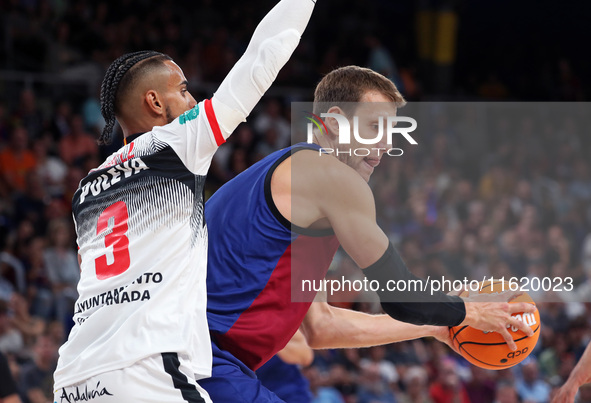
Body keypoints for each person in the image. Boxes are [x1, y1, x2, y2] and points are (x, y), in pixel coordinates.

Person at [199, 65, 537, 402]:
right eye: (375, 127)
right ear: (332, 124)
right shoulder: (328, 175)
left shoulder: (299, 185)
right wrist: (470, 311)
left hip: (201, 358)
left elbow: (321, 327)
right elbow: (401, 296)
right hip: (201, 358)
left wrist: (437, 327)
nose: (387, 144)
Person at [52, 0, 316, 401]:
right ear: (155, 103)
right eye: (183, 90)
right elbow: (262, 57)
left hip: (75, 377)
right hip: (144, 368)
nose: (193, 101)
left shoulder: (86, 190)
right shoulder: (175, 143)